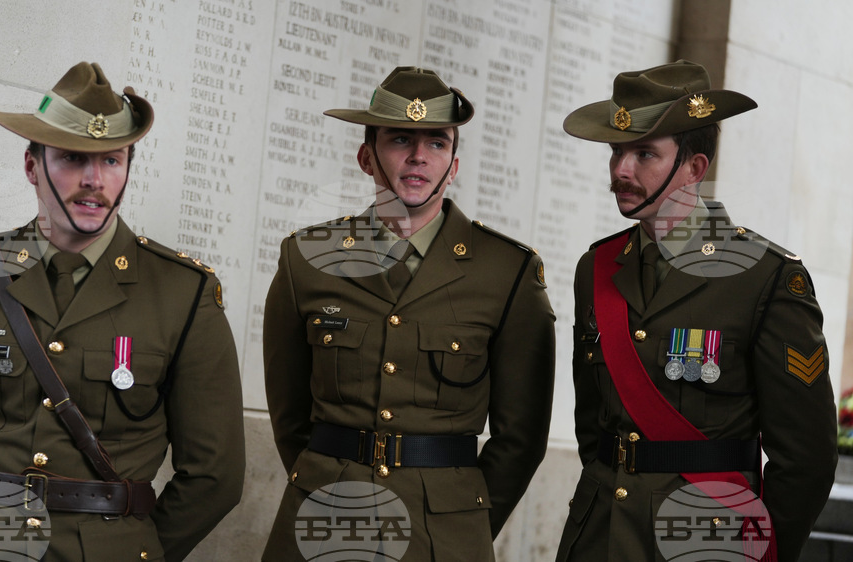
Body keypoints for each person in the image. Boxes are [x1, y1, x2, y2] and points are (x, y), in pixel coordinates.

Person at [0, 62, 245, 561]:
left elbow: (216, 477)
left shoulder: (183, 293)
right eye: (72, 158)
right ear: (32, 166)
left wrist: (130, 548)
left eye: (112, 161)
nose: (93, 180)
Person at [262, 66, 556, 560]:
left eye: (437, 143)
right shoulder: (307, 259)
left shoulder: (507, 272)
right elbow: (290, 417)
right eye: (401, 139)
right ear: (366, 157)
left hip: (443, 534)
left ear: (454, 165)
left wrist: (464, 519)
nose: (419, 156)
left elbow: (521, 439)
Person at [556, 60, 837, 562]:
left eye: (645, 153)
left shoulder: (764, 277)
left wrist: (760, 554)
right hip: (598, 538)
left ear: (694, 167)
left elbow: (806, 459)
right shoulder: (596, 268)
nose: (622, 169)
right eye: (617, 151)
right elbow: (592, 428)